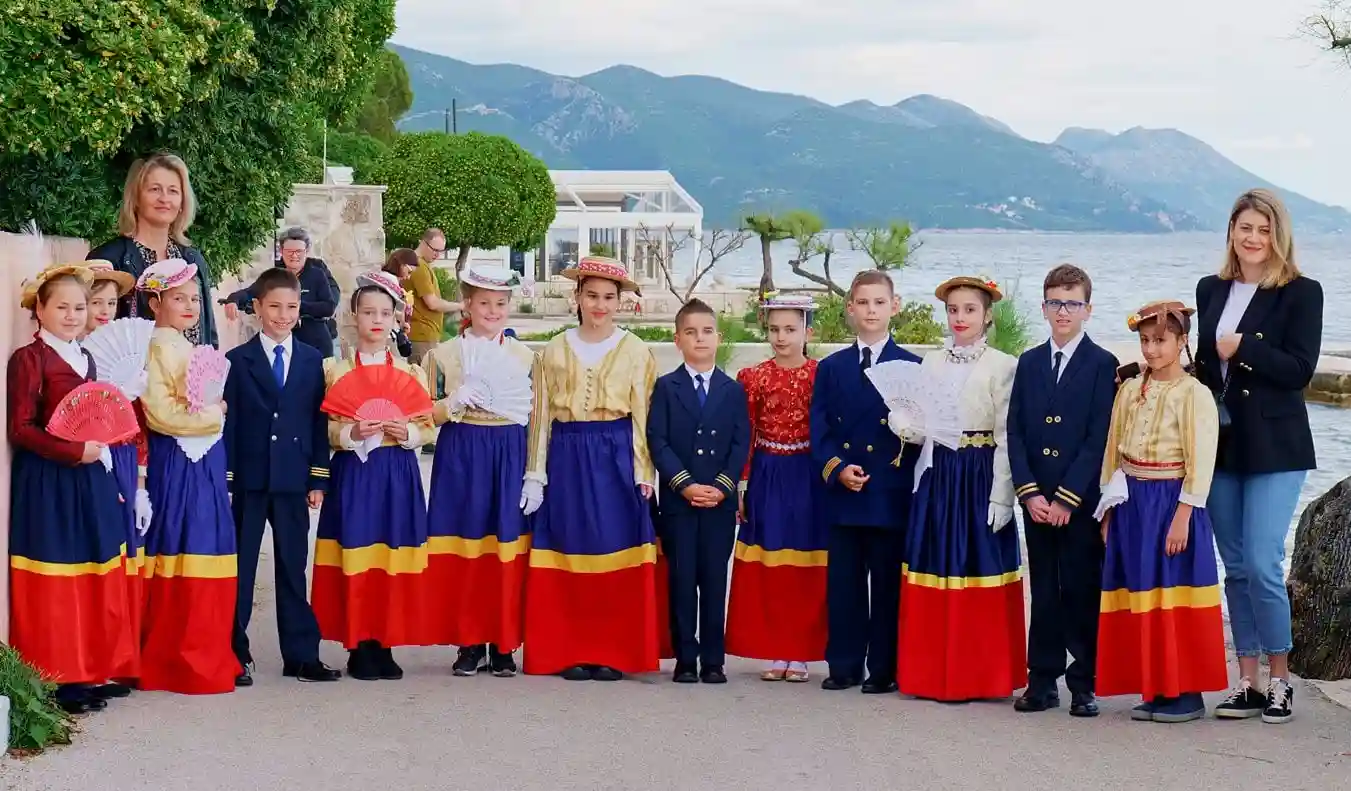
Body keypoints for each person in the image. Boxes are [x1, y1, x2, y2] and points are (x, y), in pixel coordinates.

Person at [1195, 189, 1323, 725]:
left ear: (1278, 235)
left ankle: (1280, 681)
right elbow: (1205, 370)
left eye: (1263, 230)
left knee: (1263, 564)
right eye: (1245, 227)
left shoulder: (1302, 293)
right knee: (1235, 567)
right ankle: (1245, 681)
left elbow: (1300, 371)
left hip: (1276, 446)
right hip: (1222, 445)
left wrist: (1243, 346)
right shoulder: (1210, 289)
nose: (1253, 238)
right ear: (1231, 231)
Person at [8, 264, 137, 714]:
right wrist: (73, 451)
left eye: (79, 307)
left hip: (90, 475)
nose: (71, 315)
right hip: (50, 480)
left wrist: (99, 461)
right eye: (61, 307)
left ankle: (90, 668)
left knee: (96, 569)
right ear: (39, 309)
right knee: (58, 576)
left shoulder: (87, 358)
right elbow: (21, 428)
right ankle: (58, 678)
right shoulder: (29, 359)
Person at [523, 256, 659, 681]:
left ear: (619, 302)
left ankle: (611, 650)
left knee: (613, 548)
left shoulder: (636, 350)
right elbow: (541, 415)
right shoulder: (552, 350)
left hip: (615, 451)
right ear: (577, 297)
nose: (600, 305)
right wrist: (535, 473)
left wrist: (644, 471)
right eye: (592, 295)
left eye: (608, 297)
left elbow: (643, 415)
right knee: (567, 546)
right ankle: (570, 649)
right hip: (566, 452)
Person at [892, 276, 1025, 702]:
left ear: (987, 315)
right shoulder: (930, 362)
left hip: (978, 473)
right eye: (953, 310)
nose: (960, 318)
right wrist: (906, 426)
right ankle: (931, 674)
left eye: (969, 309)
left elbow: (1007, 436)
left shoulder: (1003, 365)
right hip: (939, 474)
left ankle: (978, 675)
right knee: (934, 563)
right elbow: (924, 425)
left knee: (976, 565)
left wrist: (1002, 495)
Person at [1095, 300, 1228, 723]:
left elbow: (1201, 459)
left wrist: (1183, 516)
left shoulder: (1194, 394)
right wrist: (1108, 509)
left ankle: (1185, 691)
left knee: (1174, 591)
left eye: (1160, 341)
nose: (1151, 350)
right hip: (1132, 501)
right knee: (1142, 588)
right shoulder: (1130, 390)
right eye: (1145, 341)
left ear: (1181, 340)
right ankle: (1155, 685)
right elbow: (1112, 451)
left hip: (1171, 501)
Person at [311, 270, 438, 681]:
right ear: (354, 316)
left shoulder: (410, 372)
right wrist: (349, 433)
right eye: (368, 312)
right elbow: (325, 428)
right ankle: (358, 643)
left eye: (385, 312)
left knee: (391, 554)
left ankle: (386, 640)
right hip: (354, 472)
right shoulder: (334, 371)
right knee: (357, 550)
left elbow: (427, 426)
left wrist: (409, 432)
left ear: (396, 318)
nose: (377, 320)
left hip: (397, 470)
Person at [1008, 264, 1118, 717]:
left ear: (1088, 309)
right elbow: (1015, 430)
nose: (1063, 311)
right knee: (1044, 590)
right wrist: (1029, 492)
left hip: (1080, 501)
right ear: (1043, 307)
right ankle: (1041, 679)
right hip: (1036, 500)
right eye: (1055, 302)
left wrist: (1067, 497)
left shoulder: (1102, 364)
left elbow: (1099, 437)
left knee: (1080, 587)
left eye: (1073, 303)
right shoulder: (1030, 362)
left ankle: (1084, 682)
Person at [224, 267, 341, 686]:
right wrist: (228, 479)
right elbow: (231, 425)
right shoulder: (237, 361)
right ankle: (233, 654)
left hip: (293, 480)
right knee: (241, 568)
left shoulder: (312, 360)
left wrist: (318, 478)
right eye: (274, 306)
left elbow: (316, 423)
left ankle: (301, 655)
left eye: (291, 307)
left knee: (293, 567)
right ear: (257, 307)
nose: (283, 315)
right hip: (250, 479)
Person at [423, 264, 539, 677]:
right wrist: (451, 403)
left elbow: (538, 420)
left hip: (510, 451)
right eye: (484, 303)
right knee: (467, 544)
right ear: (467, 305)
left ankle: (503, 641)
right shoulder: (442, 355)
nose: (493, 311)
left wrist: (535, 473)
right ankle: (469, 640)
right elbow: (423, 416)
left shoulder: (526, 357)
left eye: (501, 304)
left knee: (506, 545)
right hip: (462, 451)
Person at [810, 270, 919, 694]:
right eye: (863, 302)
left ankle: (883, 668)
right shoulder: (832, 367)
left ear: (895, 306)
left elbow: (922, 433)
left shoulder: (912, 366)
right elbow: (819, 428)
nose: (871, 311)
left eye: (879, 302)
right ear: (850, 308)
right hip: (844, 489)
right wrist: (838, 467)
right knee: (844, 584)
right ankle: (844, 664)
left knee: (887, 584)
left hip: (889, 489)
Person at [136, 258, 238, 694]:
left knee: (204, 541)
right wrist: (215, 415)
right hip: (177, 459)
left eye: (194, 298)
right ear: (154, 303)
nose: (190, 306)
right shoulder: (156, 347)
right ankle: (177, 655)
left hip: (203, 455)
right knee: (183, 541)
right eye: (178, 298)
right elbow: (159, 414)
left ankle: (204, 647)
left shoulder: (184, 345)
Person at [648, 299, 751, 685]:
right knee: (681, 579)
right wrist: (685, 484)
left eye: (707, 331)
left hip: (718, 504)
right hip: (680, 501)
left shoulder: (732, 390)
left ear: (718, 337)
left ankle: (713, 659)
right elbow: (658, 441)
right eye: (690, 332)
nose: (700, 338)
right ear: (677, 340)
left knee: (713, 579)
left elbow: (740, 443)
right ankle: (685, 658)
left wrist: (723, 487)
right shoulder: (666, 387)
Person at [726, 294, 826, 683]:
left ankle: (800, 651)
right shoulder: (753, 378)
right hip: (767, 473)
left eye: (790, 329)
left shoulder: (821, 375)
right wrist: (741, 483)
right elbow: (746, 433)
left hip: (808, 475)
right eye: (774, 329)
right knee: (768, 561)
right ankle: (773, 647)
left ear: (808, 332)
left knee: (805, 563)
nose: (781, 337)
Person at [77, 260, 151, 678]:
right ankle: (93, 657)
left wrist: (140, 484)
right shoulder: (78, 359)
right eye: (95, 302)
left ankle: (123, 657)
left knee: (127, 558)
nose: (105, 311)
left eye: (111, 302)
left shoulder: (127, 358)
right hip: (91, 460)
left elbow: (139, 430)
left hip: (124, 461)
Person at [87, 152, 218, 347]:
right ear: (136, 197)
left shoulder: (193, 260)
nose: (164, 198)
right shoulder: (110, 259)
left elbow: (209, 335)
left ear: (182, 202)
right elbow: (92, 335)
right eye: (155, 189)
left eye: (173, 191)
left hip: (190, 366)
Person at [222, 227, 341, 358]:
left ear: (306, 251)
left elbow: (328, 307)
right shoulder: (275, 276)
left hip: (317, 343)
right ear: (281, 251)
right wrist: (233, 300)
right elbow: (250, 292)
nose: (294, 256)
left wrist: (296, 307)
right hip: (284, 344)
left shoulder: (317, 274)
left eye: (299, 251)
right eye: (289, 251)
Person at [405, 229, 463, 365]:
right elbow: (432, 303)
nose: (437, 255)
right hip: (422, 337)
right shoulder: (419, 266)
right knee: (424, 377)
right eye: (435, 250)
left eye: (441, 251)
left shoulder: (420, 264)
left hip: (423, 336)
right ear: (423, 243)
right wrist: (460, 306)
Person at [382, 248, 418, 359]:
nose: (408, 277)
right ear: (401, 264)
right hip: (388, 336)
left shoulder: (382, 279)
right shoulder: (390, 283)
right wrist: (402, 322)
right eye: (409, 271)